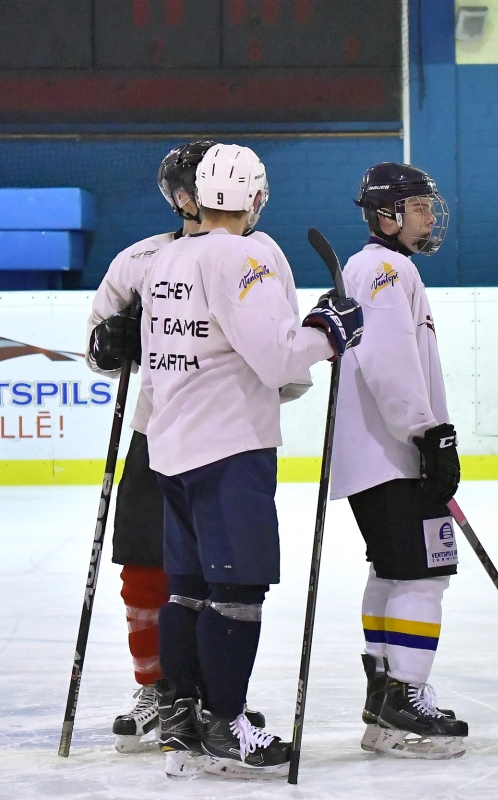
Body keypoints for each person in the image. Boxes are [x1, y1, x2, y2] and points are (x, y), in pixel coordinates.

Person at [142, 143, 364, 778]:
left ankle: (183, 715)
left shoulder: (167, 258)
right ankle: (227, 724)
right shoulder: (245, 255)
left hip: (172, 445)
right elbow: (277, 359)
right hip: (228, 446)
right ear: (257, 197)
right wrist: (327, 331)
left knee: (187, 588)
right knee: (237, 590)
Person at [84, 140, 273, 752]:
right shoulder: (140, 259)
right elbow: (96, 347)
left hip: (219, 435)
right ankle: (159, 692)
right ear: (180, 196)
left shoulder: (252, 257)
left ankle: (214, 698)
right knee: (147, 568)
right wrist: (110, 344)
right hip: (156, 432)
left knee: (219, 578)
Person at [329, 162, 469, 760]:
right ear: (386, 215)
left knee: (391, 572)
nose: (430, 216)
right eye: (418, 207)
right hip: (393, 454)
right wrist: (428, 433)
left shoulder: (372, 269)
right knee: (422, 574)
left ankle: (385, 701)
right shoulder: (386, 269)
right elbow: (389, 360)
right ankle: (405, 697)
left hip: (378, 455)